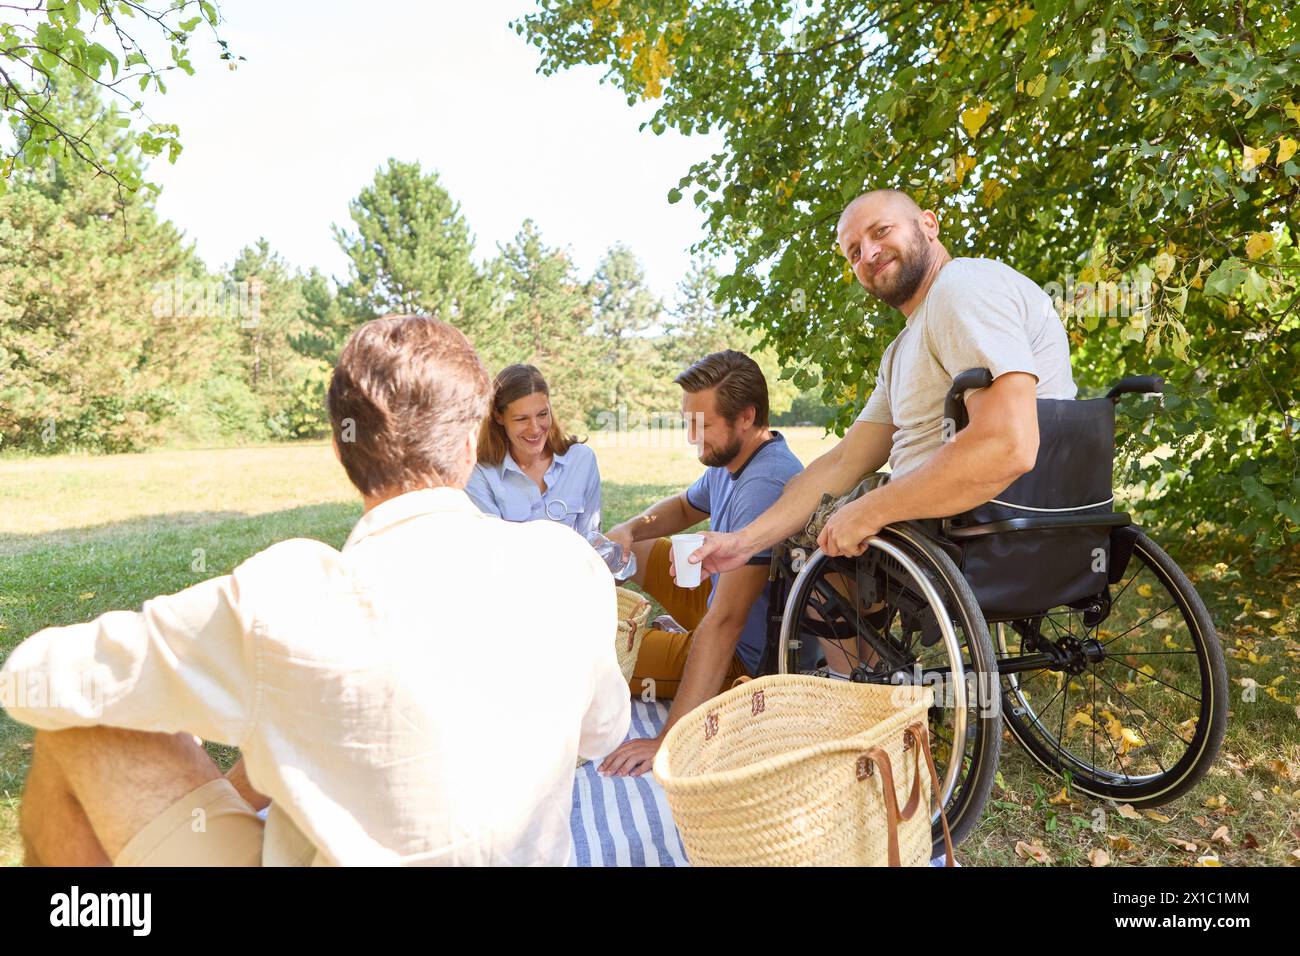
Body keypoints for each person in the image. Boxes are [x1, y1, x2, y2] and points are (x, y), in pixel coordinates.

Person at [1, 315, 631, 866]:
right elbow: (601, 733)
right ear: (469, 446)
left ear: (341, 448)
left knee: (75, 729)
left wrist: (174, 710)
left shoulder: (288, 596)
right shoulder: (570, 567)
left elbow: (31, 678)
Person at [689, 188, 1077, 577]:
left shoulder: (961, 289)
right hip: (998, 520)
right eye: (854, 252)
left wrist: (872, 510)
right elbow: (847, 460)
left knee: (801, 562)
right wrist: (741, 541)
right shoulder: (903, 347)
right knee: (803, 504)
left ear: (928, 224)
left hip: (970, 527)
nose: (869, 254)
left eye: (881, 231)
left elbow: (1008, 445)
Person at [598, 350, 805, 777]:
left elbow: (727, 621)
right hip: (714, 599)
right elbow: (682, 506)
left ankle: (657, 645)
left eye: (701, 425)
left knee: (597, 658)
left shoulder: (765, 482)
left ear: (745, 417)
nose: (691, 437)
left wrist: (667, 740)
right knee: (631, 551)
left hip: (742, 658)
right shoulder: (732, 457)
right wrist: (630, 530)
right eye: (687, 422)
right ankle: (661, 627)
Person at [466, 364, 602, 540]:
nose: (535, 429)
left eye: (542, 414)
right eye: (522, 419)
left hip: (574, 567)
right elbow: (493, 548)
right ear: (499, 417)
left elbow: (592, 539)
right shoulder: (480, 473)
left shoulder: (582, 460)